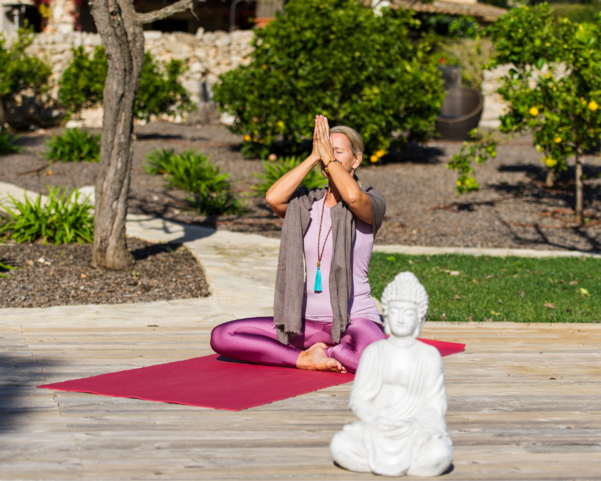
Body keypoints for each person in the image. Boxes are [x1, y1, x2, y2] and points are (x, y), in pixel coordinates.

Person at [210, 115, 386, 374]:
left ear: (356, 160)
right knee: (223, 335)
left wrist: (327, 157)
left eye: (338, 152)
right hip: (306, 323)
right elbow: (273, 198)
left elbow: (351, 196)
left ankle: (329, 350)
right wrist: (315, 156)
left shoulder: (370, 201)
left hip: (354, 320)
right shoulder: (306, 204)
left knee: (380, 364)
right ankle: (304, 359)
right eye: (326, 151)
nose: (330, 157)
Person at [330, 272, 453, 477]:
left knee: (439, 454)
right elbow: (359, 401)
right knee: (341, 445)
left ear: (420, 318)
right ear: (386, 315)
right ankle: (400, 464)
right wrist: (377, 421)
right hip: (376, 429)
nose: (402, 319)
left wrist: (412, 424)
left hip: (414, 431)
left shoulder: (428, 356)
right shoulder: (374, 352)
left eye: (409, 313)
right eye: (395, 312)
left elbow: (435, 405)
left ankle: (408, 461)